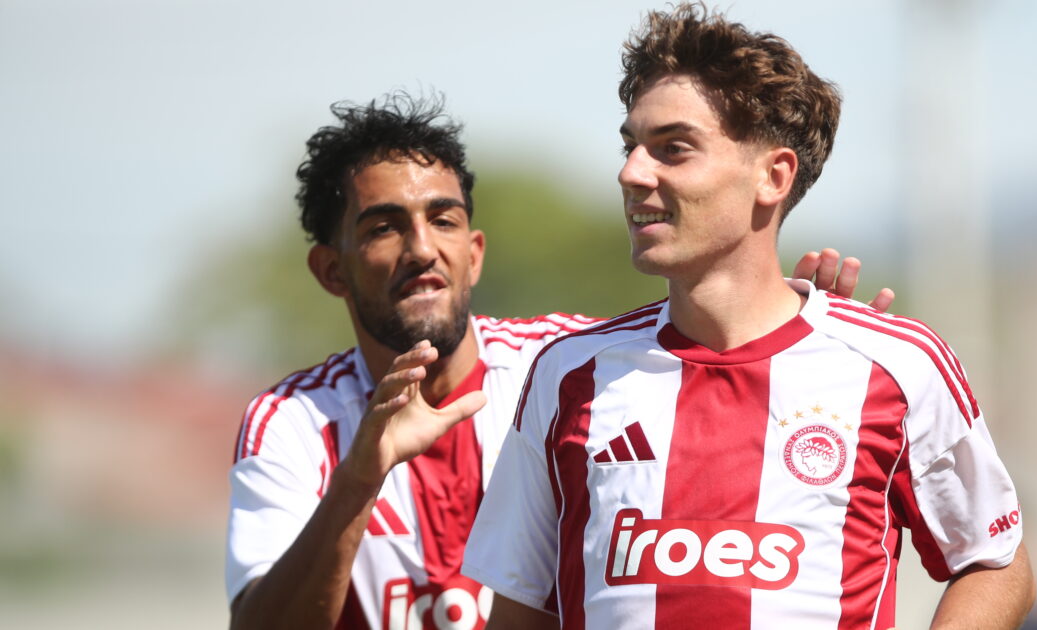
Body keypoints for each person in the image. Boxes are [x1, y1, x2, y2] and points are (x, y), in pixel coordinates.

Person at [462, 4, 1035, 629]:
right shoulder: (569, 374)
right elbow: (519, 609)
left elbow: (995, 564)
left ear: (773, 176)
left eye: (672, 149)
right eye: (630, 147)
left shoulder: (898, 365)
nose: (630, 172)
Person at [224, 91, 889, 630]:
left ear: (475, 254)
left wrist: (805, 343)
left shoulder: (569, 369)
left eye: (444, 220)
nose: (422, 249)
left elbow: (715, 366)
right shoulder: (291, 421)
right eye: (384, 227)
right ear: (330, 270)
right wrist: (358, 479)